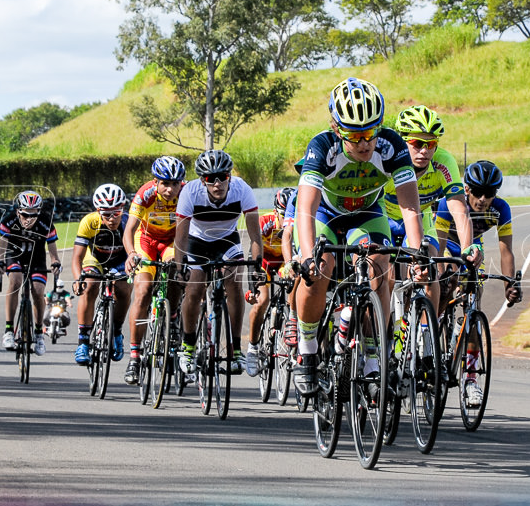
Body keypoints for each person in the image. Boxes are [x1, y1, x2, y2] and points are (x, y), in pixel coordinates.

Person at [292, 77, 425, 396]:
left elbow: (409, 205)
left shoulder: (390, 145)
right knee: (319, 269)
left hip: (367, 213)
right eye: (355, 135)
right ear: (338, 130)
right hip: (326, 214)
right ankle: (308, 351)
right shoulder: (323, 147)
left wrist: (417, 253)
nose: (365, 143)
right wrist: (307, 253)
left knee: (381, 264)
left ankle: (373, 357)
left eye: (370, 132)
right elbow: (306, 206)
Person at [434, 160, 521, 406]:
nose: (483, 199)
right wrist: (441, 276)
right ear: (467, 189)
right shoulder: (449, 203)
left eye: (490, 193)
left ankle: (470, 379)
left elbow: (506, 252)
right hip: (447, 247)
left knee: (474, 302)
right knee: (446, 281)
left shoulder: (501, 210)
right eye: (478, 192)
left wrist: (509, 285)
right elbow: (438, 247)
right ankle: (432, 330)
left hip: (473, 249)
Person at [382, 104, 482, 314]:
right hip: (384, 217)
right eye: (417, 143)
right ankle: (383, 336)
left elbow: (459, 209)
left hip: (421, 218)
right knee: (386, 277)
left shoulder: (444, 162)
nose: (424, 151)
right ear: (402, 141)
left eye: (431, 143)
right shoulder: (388, 161)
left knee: (431, 271)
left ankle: (429, 339)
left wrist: (467, 248)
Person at [173, 149, 263, 378]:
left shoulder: (242, 189)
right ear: (202, 180)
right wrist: (179, 266)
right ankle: (188, 346)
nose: (216, 183)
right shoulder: (190, 193)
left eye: (222, 177)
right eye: (209, 178)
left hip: (227, 239)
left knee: (234, 282)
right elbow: (181, 238)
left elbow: (255, 237)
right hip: (197, 241)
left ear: (229, 176)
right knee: (194, 287)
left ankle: (235, 351)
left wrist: (256, 268)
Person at [121, 156, 186, 385]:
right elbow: (129, 229)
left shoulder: (187, 194)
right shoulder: (145, 194)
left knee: (177, 273)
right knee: (143, 289)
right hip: (146, 240)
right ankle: (135, 356)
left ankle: (174, 317)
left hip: (171, 242)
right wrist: (131, 254)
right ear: (155, 182)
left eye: (175, 184)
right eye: (165, 184)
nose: (170, 189)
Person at [0, 191, 61, 356]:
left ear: (39, 212)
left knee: (38, 291)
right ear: (18, 211)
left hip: (36, 259)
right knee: (15, 281)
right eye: (25, 214)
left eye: (34, 215)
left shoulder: (46, 223)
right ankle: (9, 330)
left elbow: (53, 252)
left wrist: (55, 263)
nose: (29, 219)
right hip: (14, 256)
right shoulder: (9, 221)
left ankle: (38, 334)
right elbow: (1, 249)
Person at [71, 184, 131, 366]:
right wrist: (78, 278)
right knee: (90, 286)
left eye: (116, 213)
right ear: (98, 211)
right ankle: (83, 342)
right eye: (106, 214)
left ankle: (116, 332)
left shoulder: (129, 222)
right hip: (95, 259)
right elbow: (77, 257)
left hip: (121, 259)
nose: (112, 219)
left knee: (123, 289)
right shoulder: (89, 222)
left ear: (123, 209)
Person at [244, 187, 295, 377]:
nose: (288, 220)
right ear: (276, 212)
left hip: (284, 261)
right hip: (264, 261)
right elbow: (253, 254)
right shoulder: (265, 222)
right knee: (262, 301)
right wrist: (252, 288)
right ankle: (253, 348)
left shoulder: (295, 225)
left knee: (294, 285)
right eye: (284, 215)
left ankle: (291, 322)